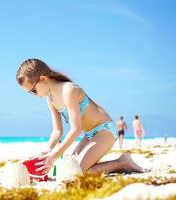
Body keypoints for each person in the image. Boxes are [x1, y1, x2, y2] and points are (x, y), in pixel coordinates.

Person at [16, 58, 144, 175]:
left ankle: (122, 162)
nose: (34, 95)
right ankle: (119, 164)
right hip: (89, 135)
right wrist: (48, 149)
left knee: (76, 173)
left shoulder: (69, 90)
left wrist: (54, 156)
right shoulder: (50, 100)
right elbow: (57, 131)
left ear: (43, 79)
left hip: (104, 130)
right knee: (67, 171)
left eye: (33, 90)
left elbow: (76, 129)